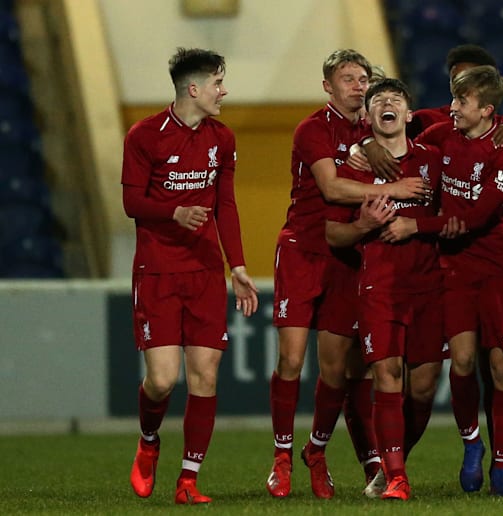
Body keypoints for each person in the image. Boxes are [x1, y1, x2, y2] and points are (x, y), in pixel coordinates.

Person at [266, 49, 427, 500]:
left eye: (363, 78)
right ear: (327, 86)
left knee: (338, 371)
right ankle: (281, 458)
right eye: (348, 78)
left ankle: (315, 453)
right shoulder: (313, 128)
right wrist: (391, 187)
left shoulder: (374, 127)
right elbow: (332, 187)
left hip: (349, 252)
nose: (358, 85)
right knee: (292, 360)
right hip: (304, 248)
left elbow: (435, 124)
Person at [123, 47, 259, 505]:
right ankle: (148, 440)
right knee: (162, 380)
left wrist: (237, 265)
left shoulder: (222, 137)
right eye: (219, 83)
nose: (224, 92)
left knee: (205, 375)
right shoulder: (144, 135)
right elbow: (132, 203)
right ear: (194, 89)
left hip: (204, 272)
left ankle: (188, 481)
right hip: (158, 270)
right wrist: (174, 212)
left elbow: (226, 205)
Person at [380, 65, 503, 496]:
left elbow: (476, 219)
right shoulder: (443, 136)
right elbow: (404, 143)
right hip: (454, 270)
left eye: (461, 102)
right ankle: (472, 444)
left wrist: (414, 227)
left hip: (497, 270)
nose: (453, 108)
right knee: (461, 361)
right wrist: (370, 145)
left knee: (500, 364)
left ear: (487, 110)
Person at [326, 77, 447, 501]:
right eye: (378, 100)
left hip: (428, 284)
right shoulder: (354, 169)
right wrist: (365, 225)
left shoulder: (434, 159)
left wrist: (418, 224)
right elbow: (333, 235)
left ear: (409, 115)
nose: (387, 104)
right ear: (369, 115)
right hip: (379, 284)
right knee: (387, 375)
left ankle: (395, 461)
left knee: (425, 385)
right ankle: (395, 475)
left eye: (396, 99)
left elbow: (456, 217)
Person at [361, 44, 503, 181]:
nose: (461, 83)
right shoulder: (426, 119)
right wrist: (369, 142)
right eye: (455, 78)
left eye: (470, 77)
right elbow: (381, 125)